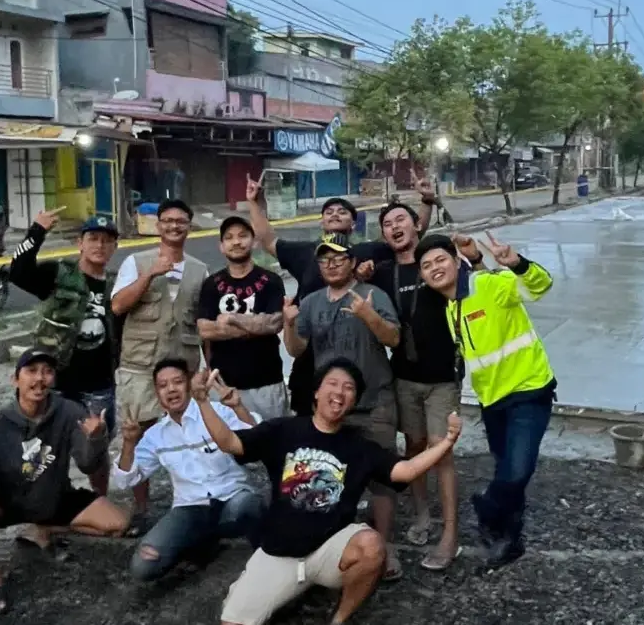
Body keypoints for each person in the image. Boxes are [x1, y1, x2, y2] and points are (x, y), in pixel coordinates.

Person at [196, 358, 463, 625]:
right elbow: (229, 442)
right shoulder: (283, 430)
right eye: (332, 384)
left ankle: (340, 618)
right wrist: (202, 401)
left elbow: (405, 470)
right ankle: (290, 588)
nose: (339, 392)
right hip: (279, 553)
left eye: (348, 388)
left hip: (329, 551)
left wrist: (447, 441)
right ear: (316, 392)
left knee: (371, 546)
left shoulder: (359, 447)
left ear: (354, 401)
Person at [416, 232, 555, 569]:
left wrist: (516, 264)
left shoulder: (487, 285)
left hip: (528, 390)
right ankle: (509, 540)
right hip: (491, 402)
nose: (434, 268)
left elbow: (540, 286)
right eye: (426, 265)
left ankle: (488, 507)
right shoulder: (452, 307)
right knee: (508, 469)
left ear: (455, 261)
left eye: (440, 259)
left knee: (516, 471)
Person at [0, 348, 127, 617]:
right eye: (31, 371)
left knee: (119, 525)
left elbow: (88, 465)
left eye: (47, 371)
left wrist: (96, 438)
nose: (40, 379)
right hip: (8, 503)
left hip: (53, 498)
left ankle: (44, 529)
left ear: (54, 379)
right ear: (16, 380)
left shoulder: (69, 411)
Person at [245, 172, 436, 417]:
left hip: (357, 351)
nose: (335, 214)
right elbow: (267, 239)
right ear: (322, 222)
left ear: (354, 224)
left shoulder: (369, 250)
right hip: (311, 354)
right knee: (311, 427)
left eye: (342, 211)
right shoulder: (304, 252)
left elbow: (408, 234)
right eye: (329, 212)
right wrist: (253, 202)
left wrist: (427, 201)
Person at [281, 234, 405, 580]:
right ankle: (336, 543)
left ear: (352, 262)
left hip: (375, 400)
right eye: (324, 260)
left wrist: (368, 316)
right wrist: (288, 324)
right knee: (332, 476)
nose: (331, 264)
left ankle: (385, 545)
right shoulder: (311, 302)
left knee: (382, 479)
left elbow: (393, 339)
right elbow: (296, 350)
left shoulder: (373, 295)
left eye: (338, 258)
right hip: (333, 405)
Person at [367, 204, 481, 571]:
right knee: (413, 447)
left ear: (417, 224)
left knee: (441, 452)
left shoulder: (437, 262)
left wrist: (474, 257)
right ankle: (421, 515)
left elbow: (476, 290)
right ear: (384, 235)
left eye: (401, 219)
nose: (394, 227)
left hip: (443, 379)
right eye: (387, 224)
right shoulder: (383, 274)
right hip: (402, 377)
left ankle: (450, 535)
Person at [111, 359, 265, 583]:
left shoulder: (218, 411)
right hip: (190, 509)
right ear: (156, 393)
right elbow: (126, 480)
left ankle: (265, 563)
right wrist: (129, 442)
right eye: (163, 385)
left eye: (177, 382)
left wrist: (238, 407)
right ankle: (201, 541)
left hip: (232, 499)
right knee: (144, 565)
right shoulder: (156, 435)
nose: (171, 389)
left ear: (189, 385)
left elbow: (257, 440)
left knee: (251, 505)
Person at [111, 199, 208, 536]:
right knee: (138, 433)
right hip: (140, 365)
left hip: (183, 364)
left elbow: (202, 322)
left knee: (190, 432)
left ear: (189, 226)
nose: (174, 226)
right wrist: (150, 274)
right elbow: (119, 305)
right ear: (158, 225)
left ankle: (194, 501)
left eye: (181, 221)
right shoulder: (135, 262)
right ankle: (141, 508)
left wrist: (206, 369)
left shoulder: (199, 269)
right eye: (167, 220)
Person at [9, 210, 120, 496]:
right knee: (40, 445)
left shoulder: (117, 285)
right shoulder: (59, 274)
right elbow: (18, 271)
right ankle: (39, 513)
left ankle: (99, 502)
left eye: (107, 241)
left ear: (115, 247)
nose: (99, 245)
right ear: (79, 243)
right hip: (53, 381)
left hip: (99, 384)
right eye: (93, 238)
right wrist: (37, 231)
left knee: (96, 450)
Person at [196, 216, 288, 419]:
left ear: (254, 242)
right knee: (226, 445)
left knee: (271, 443)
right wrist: (254, 327)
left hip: (267, 383)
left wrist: (232, 319)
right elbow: (204, 329)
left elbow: (274, 323)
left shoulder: (271, 281)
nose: (236, 242)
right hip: (222, 385)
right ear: (221, 246)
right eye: (229, 238)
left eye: (242, 236)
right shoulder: (212, 284)